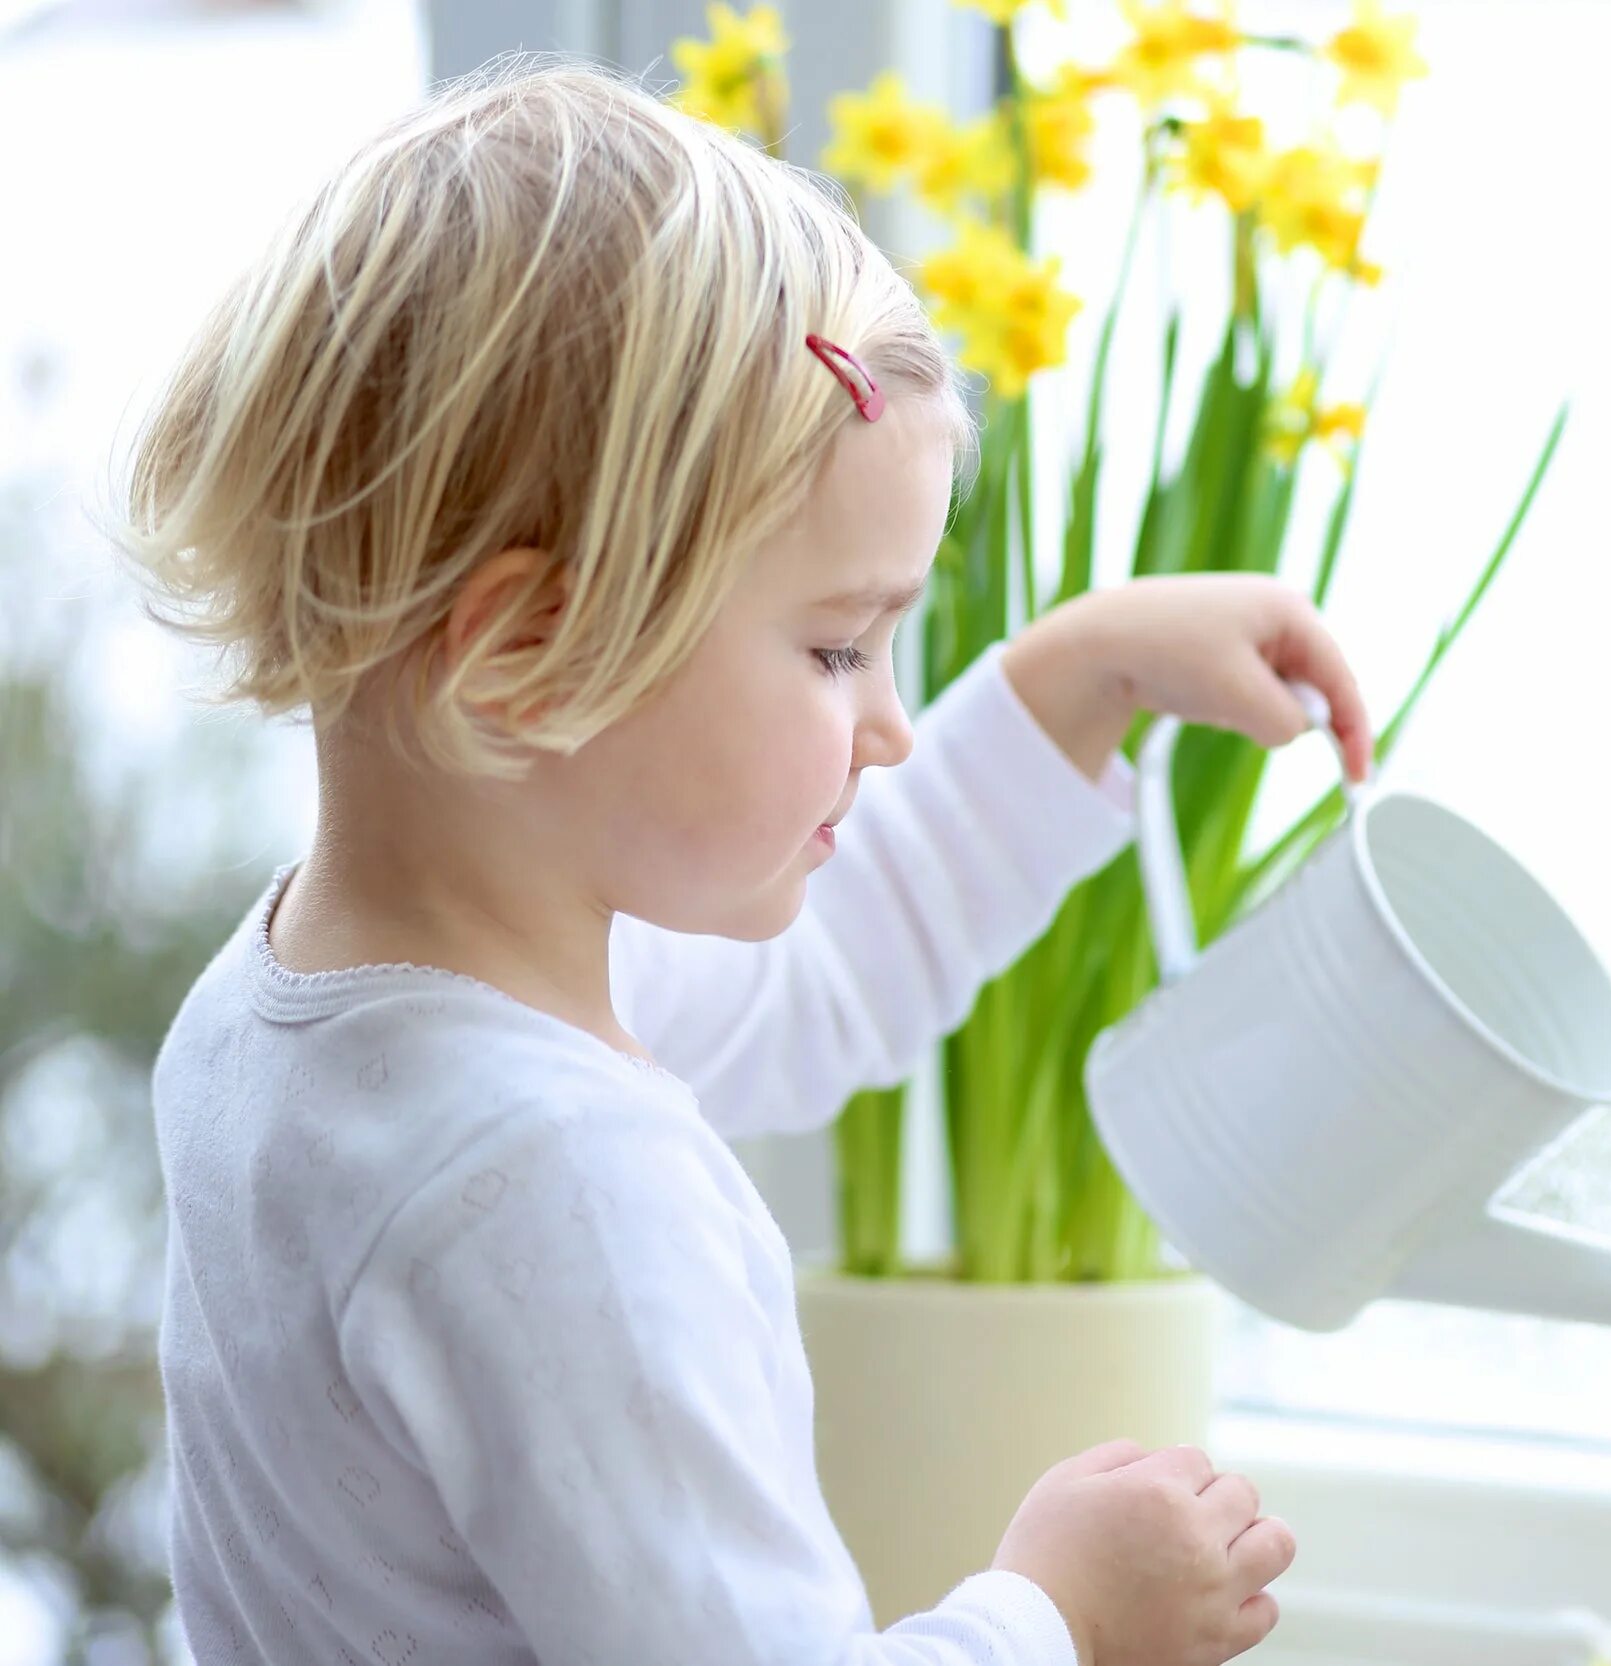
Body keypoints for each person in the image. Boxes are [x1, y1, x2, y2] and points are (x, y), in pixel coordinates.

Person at [110, 55, 1372, 1666]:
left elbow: (814, 975)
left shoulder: (320, 1006)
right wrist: (1055, 1615)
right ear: (530, 653)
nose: (888, 722)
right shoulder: (547, 1185)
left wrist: (1081, 677)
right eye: (841, 646)